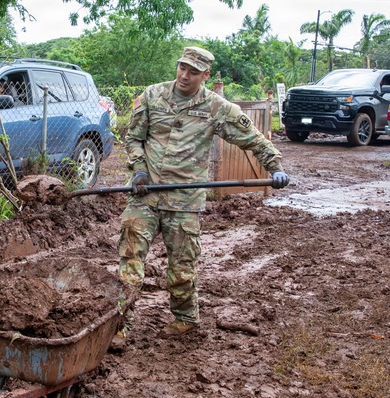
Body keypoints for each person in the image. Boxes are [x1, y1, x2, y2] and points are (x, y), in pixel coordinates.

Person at [120, 46, 289, 338]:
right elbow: (133, 137)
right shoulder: (152, 95)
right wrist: (139, 169)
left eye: (193, 72)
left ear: (205, 75)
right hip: (145, 193)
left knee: (182, 268)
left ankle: (185, 320)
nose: (185, 76)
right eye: (182, 68)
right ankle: (118, 326)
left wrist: (274, 166)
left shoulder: (216, 107)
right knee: (129, 260)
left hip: (184, 201)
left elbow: (252, 138)